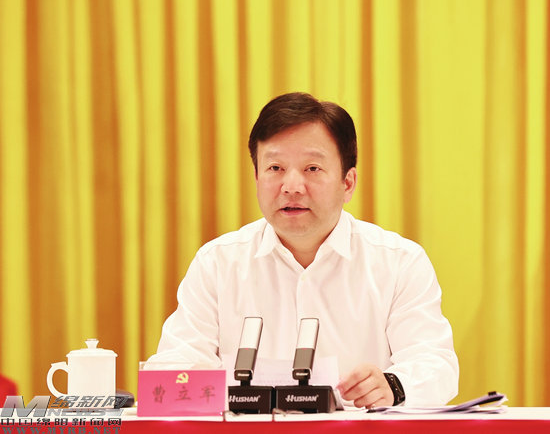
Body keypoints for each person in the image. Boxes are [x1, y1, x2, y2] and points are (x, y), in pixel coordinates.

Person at [148, 92, 459, 407]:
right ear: (256, 177)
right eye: (275, 168)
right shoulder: (217, 263)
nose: (292, 186)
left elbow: (434, 363)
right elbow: (174, 367)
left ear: (348, 183)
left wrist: (393, 386)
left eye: (312, 168)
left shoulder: (399, 262)